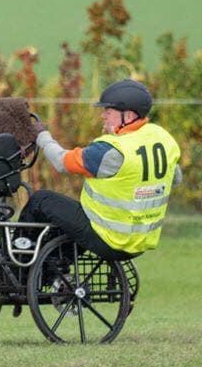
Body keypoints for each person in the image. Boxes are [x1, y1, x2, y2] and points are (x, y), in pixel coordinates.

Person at [19, 79, 181, 260]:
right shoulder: (160, 138)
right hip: (138, 242)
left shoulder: (110, 151)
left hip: (109, 238)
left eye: (108, 111)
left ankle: (18, 259)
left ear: (128, 116)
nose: (103, 116)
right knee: (75, 217)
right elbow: (176, 178)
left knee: (41, 200)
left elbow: (61, 162)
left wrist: (42, 136)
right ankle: (53, 267)